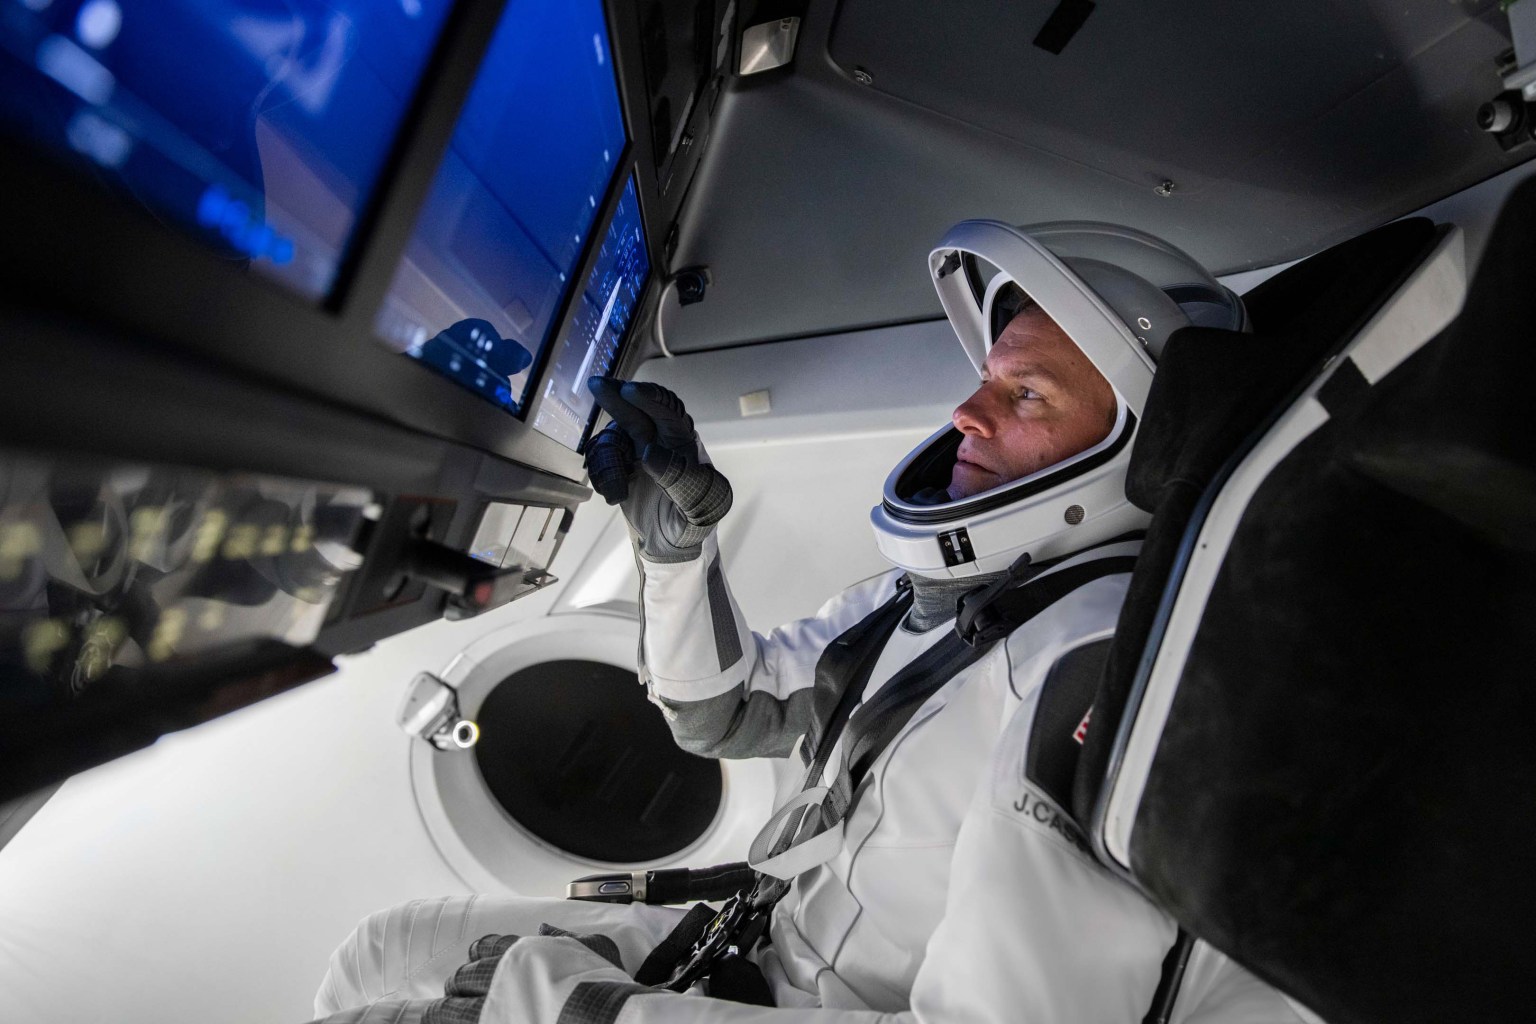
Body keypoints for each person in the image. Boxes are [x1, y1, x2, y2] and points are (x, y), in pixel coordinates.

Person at [308, 222, 1304, 1024]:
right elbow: (722, 713)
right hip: (739, 948)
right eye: (986, 378)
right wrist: (675, 557)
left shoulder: (1094, 669)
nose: (965, 412)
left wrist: (584, 1007)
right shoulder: (953, 597)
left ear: (1137, 444)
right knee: (375, 954)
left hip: (788, 995)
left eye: (1023, 392)